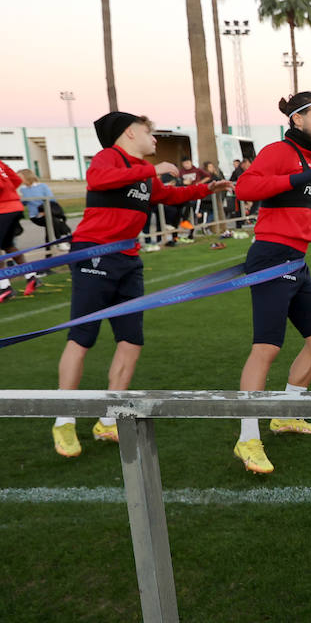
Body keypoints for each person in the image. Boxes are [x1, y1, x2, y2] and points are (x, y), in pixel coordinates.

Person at [51, 112, 229, 457]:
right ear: (130, 133)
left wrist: (208, 188)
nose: (156, 140)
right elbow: (100, 180)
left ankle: (108, 419)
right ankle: (63, 421)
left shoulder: (144, 174)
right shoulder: (109, 159)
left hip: (129, 260)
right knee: (82, 337)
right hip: (94, 255)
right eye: (150, 133)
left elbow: (168, 196)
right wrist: (153, 169)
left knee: (131, 340)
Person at [229, 92, 311, 475]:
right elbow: (246, 189)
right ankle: (246, 436)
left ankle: (285, 414)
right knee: (265, 348)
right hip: (271, 258)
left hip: (296, 260)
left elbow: (300, 198)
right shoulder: (279, 151)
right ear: (297, 120)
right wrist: (298, 176)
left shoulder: (310, 158)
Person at [0, 160, 37, 301]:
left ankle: (4, 287)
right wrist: (9, 195)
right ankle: (31, 276)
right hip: (14, 206)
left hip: (3, 209)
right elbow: (15, 179)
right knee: (8, 246)